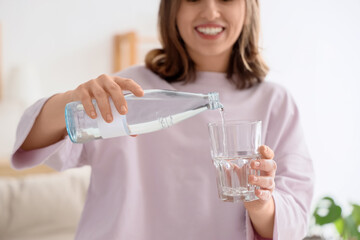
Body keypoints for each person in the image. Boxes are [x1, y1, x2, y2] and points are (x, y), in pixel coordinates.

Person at [12, 0, 314, 239]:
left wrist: (261, 204)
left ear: (249, 6)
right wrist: (70, 101)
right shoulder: (128, 91)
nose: (210, 10)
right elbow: (37, 145)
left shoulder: (276, 103)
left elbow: (295, 221)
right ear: (171, 8)